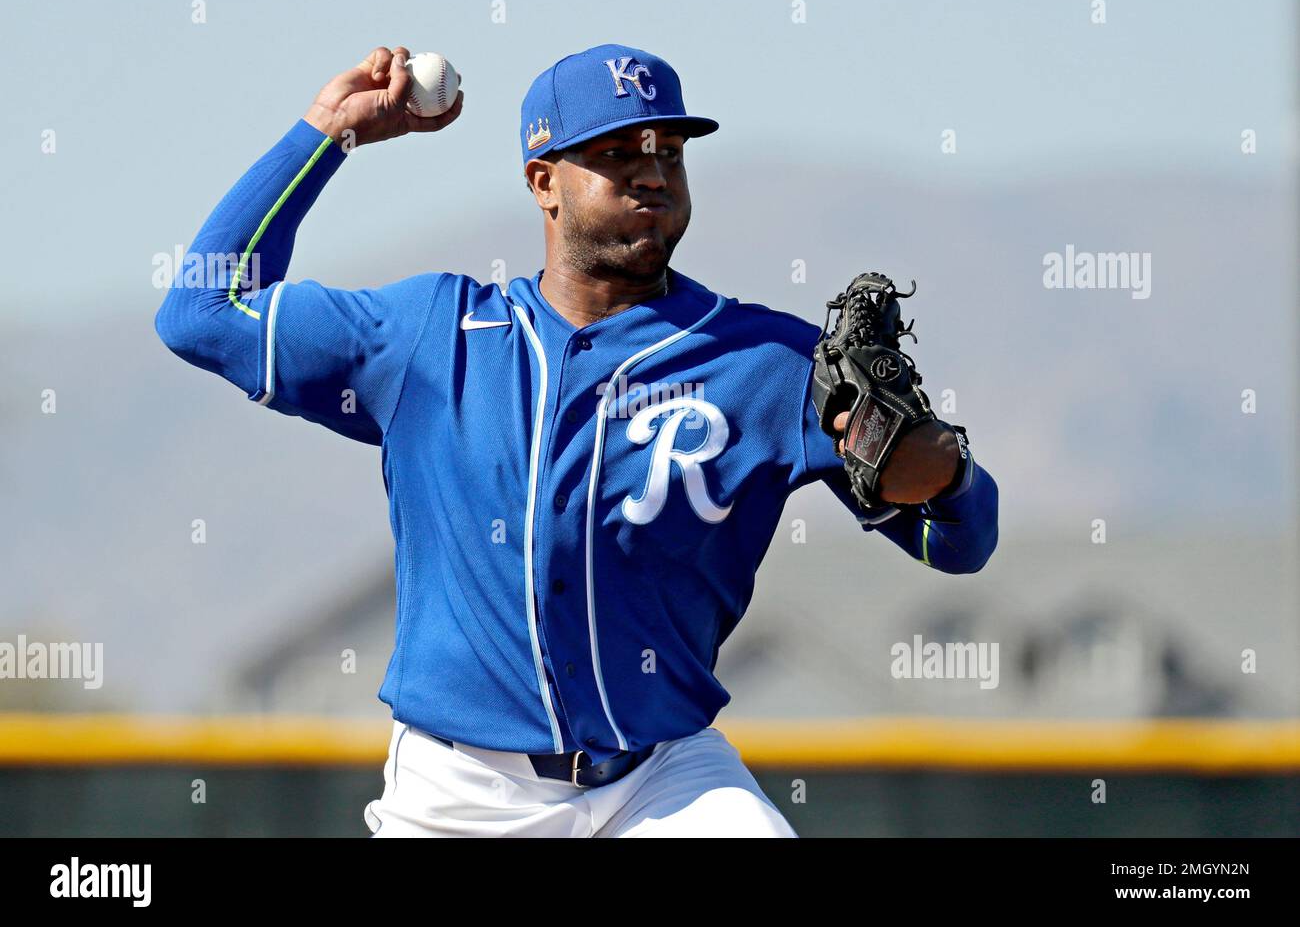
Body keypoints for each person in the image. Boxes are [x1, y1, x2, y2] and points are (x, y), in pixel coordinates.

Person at [154, 42, 998, 837]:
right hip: (458, 794)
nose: (652, 173)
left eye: (669, 150)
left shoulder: (768, 363)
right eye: (619, 155)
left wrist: (947, 477)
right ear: (543, 182)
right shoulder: (429, 335)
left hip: (664, 780)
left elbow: (957, 545)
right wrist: (327, 136)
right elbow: (198, 311)